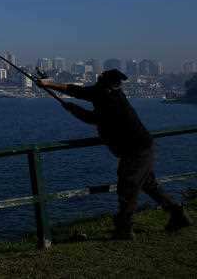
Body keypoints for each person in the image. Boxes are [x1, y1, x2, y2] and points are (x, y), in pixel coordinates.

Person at [37, 69, 193, 240]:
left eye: (101, 78)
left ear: (104, 83)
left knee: (127, 188)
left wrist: (67, 103)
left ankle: (124, 228)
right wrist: (50, 84)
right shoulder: (112, 95)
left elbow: (87, 111)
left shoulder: (107, 98)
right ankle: (177, 214)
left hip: (136, 150)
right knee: (148, 184)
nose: (99, 79)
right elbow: (76, 91)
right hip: (142, 147)